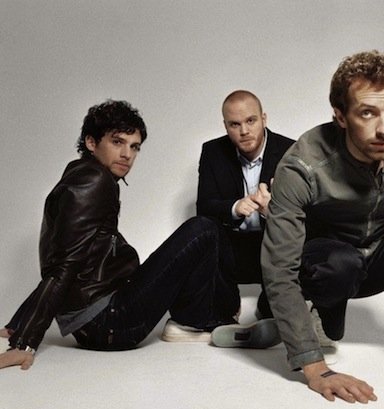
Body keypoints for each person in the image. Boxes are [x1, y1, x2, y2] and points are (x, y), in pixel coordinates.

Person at [217, 50, 384, 403]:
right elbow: (278, 268)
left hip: (378, 259)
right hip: (327, 267)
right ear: (340, 115)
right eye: (367, 113)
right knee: (340, 270)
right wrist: (314, 367)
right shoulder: (301, 166)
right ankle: (301, 316)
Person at [0, 100, 240, 370]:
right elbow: (64, 265)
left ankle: (200, 317)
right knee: (204, 228)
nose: (127, 154)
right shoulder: (94, 182)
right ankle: (211, 319)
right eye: (117, 142)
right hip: (109, 324)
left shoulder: (81, 173)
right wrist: (25, 342)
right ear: (91, 142)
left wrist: (17, 323)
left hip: (99, 318)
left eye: (134, 146)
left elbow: (62, 252)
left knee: (199, 234)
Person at [193, 91, 294, 347]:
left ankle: (270, 309)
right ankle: (225, 314)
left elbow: (306, 213)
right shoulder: (213, 151)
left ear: (264, 119)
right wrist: (235, 207)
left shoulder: (290, 151)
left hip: (273, 244)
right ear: (225, 126)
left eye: (251, 121)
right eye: (235, 124)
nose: (244, 131)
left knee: (297, 237)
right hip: (232, 246)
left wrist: (273, 211)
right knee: (206, 232)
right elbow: (203, 208)